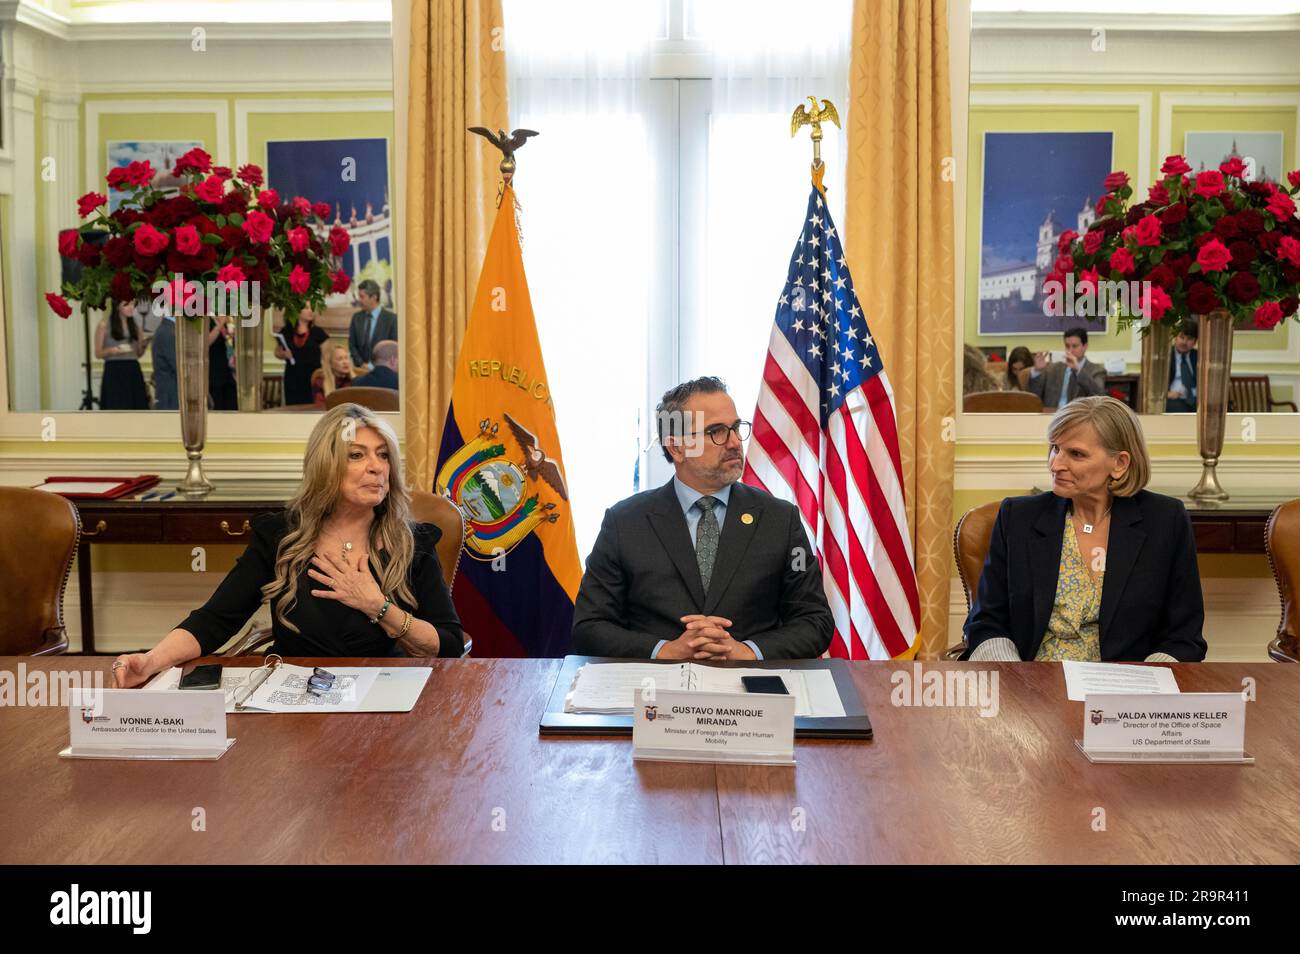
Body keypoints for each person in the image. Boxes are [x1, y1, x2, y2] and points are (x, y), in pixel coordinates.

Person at [110, 403, 465, 686]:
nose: (377, 468)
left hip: (383, 695)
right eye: (357, 455)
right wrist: (150, 661)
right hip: (293, 701)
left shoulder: (412, 543)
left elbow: (449, 644)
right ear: (326, 466)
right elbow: (215, 620)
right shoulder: (282, 537)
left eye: (383, 455)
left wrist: (378, 606)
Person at [572, 376, 833, 660]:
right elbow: (590, 626)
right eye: (716, 431)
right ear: (676, 447)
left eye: (736, 428)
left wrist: (748, 651)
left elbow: (814, 621)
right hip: (655, 688)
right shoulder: (624, 523)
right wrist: (665, 650)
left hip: (753, 689)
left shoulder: (780, 520)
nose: (734, 442)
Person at [963, 396, 1206, 662]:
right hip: (1031, 686)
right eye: (1055, 449)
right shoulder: (1018, 517)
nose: (1056, 465)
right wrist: (1016, 680)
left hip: (1124, 691)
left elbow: (1184, 635)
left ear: (1120, 463)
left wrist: (1146, 693)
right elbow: (986, 621)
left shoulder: (1165, 520)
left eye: (1076, 454)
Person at [1026, 326, 1107, 410]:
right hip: (1051, 416)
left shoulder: (1096, 370)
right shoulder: (1053, 368)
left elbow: (1100, 397)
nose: (1070, 350)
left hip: (1077, 417)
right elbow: (1034, 397)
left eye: (1075, 346)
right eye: (1067, 346)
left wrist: (1078, 370)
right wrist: (1037, 371)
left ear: (1085, 346)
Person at [95, 300, 149, 410]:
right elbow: (98, 353)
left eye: (133, 304)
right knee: (116, 407)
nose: (131, 307)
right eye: (126, 304)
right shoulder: (104, 325)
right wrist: (112, 350)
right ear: (117, 306)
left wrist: (143, 345)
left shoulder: (135, 325)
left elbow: (138, 354)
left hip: (133, 369)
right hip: (114, 370)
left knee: (137, 406)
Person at [275, 308, 330, 406]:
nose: (311, 311)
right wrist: (283, 355)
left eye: (312, 308)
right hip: (292, 377)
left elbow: (327, 357)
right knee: (292, 407)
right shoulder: (286, 331)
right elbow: (277, 352)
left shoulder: (318, 332)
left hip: (313, 377)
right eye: (306, 308)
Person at [347, 279, 398, 372]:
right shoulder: (356, 318)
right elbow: (352, 344)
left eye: (362, 296)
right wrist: (361, 364)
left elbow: (392, 348)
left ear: (374, 297)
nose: (359, 300)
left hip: (383, 372)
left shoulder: (391, 319)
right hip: (360, 371)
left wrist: (373, 367)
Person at [1166, 326, 1199, 413]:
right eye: (1181, 337)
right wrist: (1167, 394)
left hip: (1196, 398)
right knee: (1179, 410)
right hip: (1173, 397)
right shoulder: (1166, 356)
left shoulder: (1199, 356)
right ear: (1175, 338)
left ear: (1195, 342)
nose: (1184, 342)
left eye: (1189, 339)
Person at [312, 340, 354, 407]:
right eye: (340, 359)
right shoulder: (320, 382)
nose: (345, 362)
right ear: (330, 363)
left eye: (346, 358)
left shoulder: (355, 381)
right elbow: (320, 407)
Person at [208, 317, 237, 410]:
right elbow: (205, 343)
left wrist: (232, 335)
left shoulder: (228, 321)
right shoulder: (206, 320)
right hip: (213, 376)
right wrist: (219, 325)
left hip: (229, 375)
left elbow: (231, 344)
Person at [150, 313, 177, 410]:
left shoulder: (169, 329)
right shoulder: (167, 332)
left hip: (171, 395)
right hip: (171, 396)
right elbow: (177, 366)